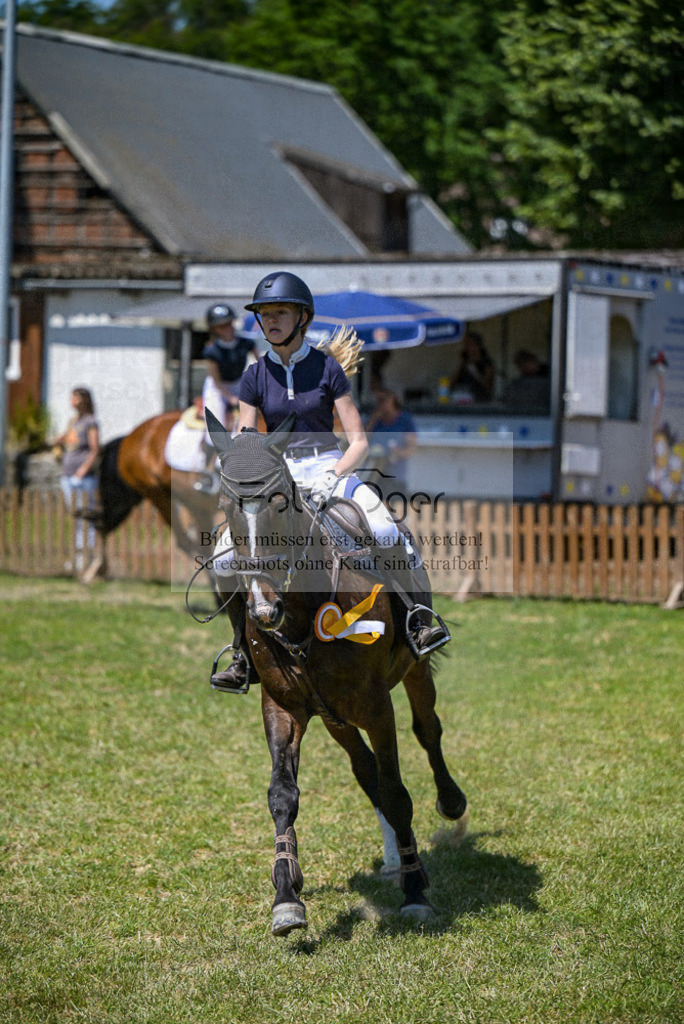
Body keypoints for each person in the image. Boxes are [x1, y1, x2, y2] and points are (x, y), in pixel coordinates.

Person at [209, 271, 446, 691]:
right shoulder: (254, 376)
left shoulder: (327, 368)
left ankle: (417, 622)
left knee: (388, 530)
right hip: (274, 476)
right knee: (225, 556)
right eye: (264, 314)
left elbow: (358, 442)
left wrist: (331, 478)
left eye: (280, 312)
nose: (271, 321)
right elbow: (248, 443)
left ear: (302, 317)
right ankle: (240, 653)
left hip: (327, 468)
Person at [197, 302, 257, 491]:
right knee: (216, 428)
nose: (228, 328)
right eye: (222, 325)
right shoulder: (211, 351)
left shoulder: (246, 343)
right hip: (218, 388)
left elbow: (261, 363)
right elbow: (216, 381)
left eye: (230, 323)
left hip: (239, 382)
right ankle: (207, 471)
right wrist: (230, 398)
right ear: (215, 329)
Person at [52, 387, 100, 570]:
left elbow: (95, 448)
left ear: (83, 400)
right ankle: (76, 556)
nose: (71, 400)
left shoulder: (90, 422)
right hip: (68, 474)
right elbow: (72, 441)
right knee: (75, 517)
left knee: (85, 517)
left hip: (83, 477)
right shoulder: (74, 421)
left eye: (75, 397)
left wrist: (83, 469)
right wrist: (61, 440)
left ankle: (86, 557)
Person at [365, 389, 417, 501]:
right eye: (378, 401)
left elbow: (411, 448)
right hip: (375, 475)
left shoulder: (404, 420)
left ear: (392, 400)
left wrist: (397, 453)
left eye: (383, 400)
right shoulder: (375, 421)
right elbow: (362, 440)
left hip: (396, 475)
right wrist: (373, 419)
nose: (380, 404)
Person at [449, 330, 495, 402]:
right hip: (463, 399)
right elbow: (450, 383)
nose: (467, 348)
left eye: (470, 344)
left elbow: (488, 386)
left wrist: (474, 371)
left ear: (477, 345)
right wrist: (461, 366)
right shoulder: (465, 363)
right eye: (466, 345)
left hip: (481, 401)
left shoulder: (487, 363)